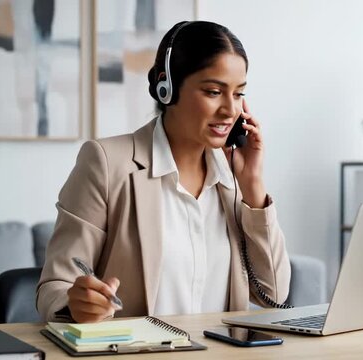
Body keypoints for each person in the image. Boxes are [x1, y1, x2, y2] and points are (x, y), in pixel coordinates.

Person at [36, 21, 291, 323]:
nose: (229, 109)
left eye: (238, 94)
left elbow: (274, 294)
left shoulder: (233, 181)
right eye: (213, 91)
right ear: (166, 87)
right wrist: (76, 304)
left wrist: (253, 186)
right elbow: (55, 285)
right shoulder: (106, 163)